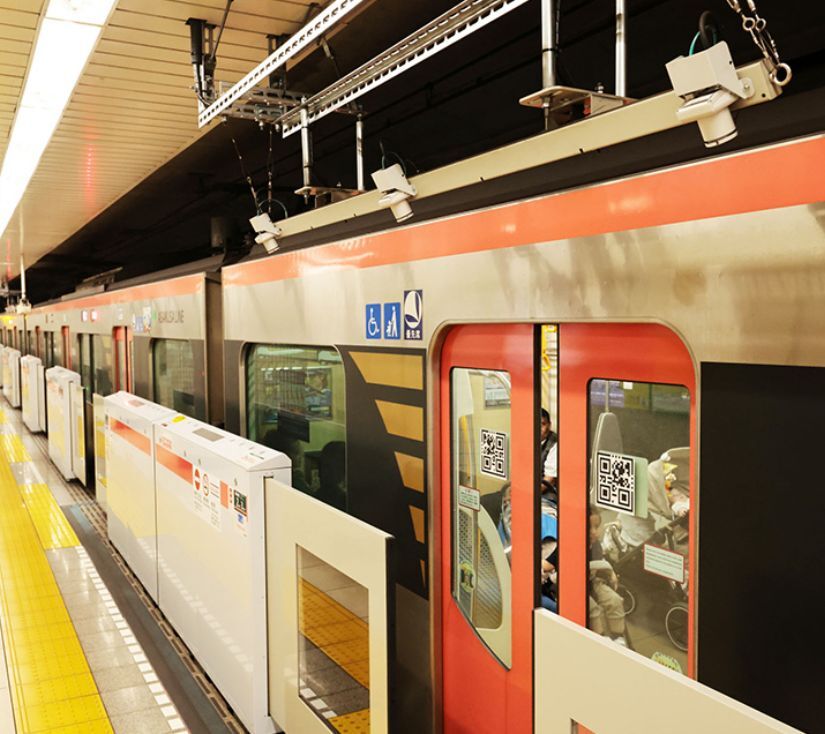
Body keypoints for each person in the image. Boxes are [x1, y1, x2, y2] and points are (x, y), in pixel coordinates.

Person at [588, 510, 627, 643]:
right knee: (592, 608)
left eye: (596, 527)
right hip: (576, 586)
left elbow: (598, 564)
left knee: (615, 600)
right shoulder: (572, 545)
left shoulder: (595, 545)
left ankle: (618, 636)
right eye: (589, 527)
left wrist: (609, 573)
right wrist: (608, 569)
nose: (594, 532)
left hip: (593, 582)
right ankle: (600, 637)